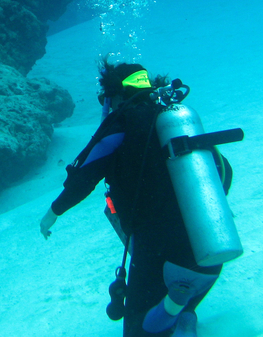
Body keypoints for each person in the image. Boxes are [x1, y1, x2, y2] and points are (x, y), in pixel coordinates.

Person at [39, 60, 236, 337]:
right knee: (180, 296)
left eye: (104, 100)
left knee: (138, 331)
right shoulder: (174, 117)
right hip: (212, 243)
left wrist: (52, 213)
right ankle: (183, 313)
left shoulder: (121, 124)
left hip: (162, 254)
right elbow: (225, 172)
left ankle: (172, 309)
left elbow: (84, 178)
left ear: (114, 95)